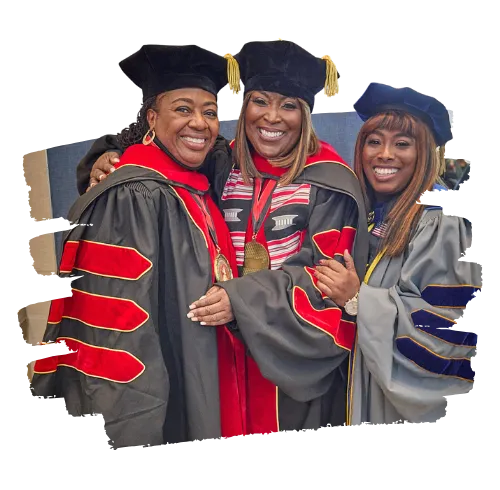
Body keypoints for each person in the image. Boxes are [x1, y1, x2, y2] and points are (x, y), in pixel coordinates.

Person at [76, 38, 369, 435]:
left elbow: (326, 280)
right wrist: (104, 155)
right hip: (218, 358)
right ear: (244, 107)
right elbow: (160, 142)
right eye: (260, 101)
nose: (272, 117)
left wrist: (242, 300)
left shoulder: (330, 184)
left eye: (288, 106)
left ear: (304, 116)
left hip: (289, 364)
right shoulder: (221, 162)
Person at [29, 41, 249, 454]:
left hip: (202, 374)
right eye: (182, 109)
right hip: (159, 401)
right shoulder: (130, 195)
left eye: (209, 112)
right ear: (151, 117)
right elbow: (116, 338)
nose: (199, 123)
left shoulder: (199, 181)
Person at [313, 82, 485, 427]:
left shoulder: (442, 222)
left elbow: (449, 334)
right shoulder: (369, 212)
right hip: (358, 388)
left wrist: (359, 299)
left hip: (398, 409)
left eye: (402, 144)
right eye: (374, 141)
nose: (385, 154)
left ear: (424, 154)